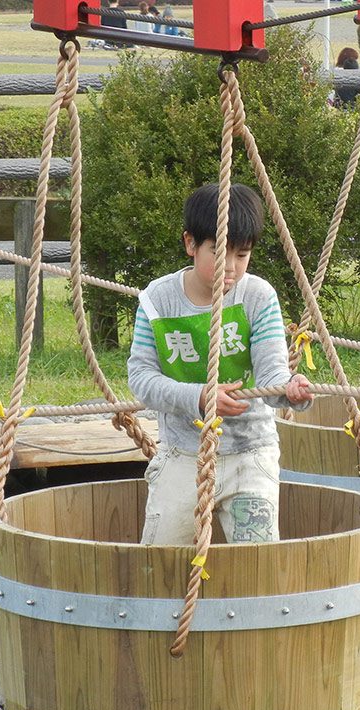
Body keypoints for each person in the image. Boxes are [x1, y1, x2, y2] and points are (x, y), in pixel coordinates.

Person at [128, 183, 314, 546]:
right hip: (183, 451)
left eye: (242, 255)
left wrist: (290, 390)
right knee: (160, 559)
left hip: (251, 452)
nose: (231, 268)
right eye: (219, 252)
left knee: (256, 564)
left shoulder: (258, 296)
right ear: (190, 244)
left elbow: (271, 373)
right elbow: (141, 379)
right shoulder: (157, 300)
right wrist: (198, 396)